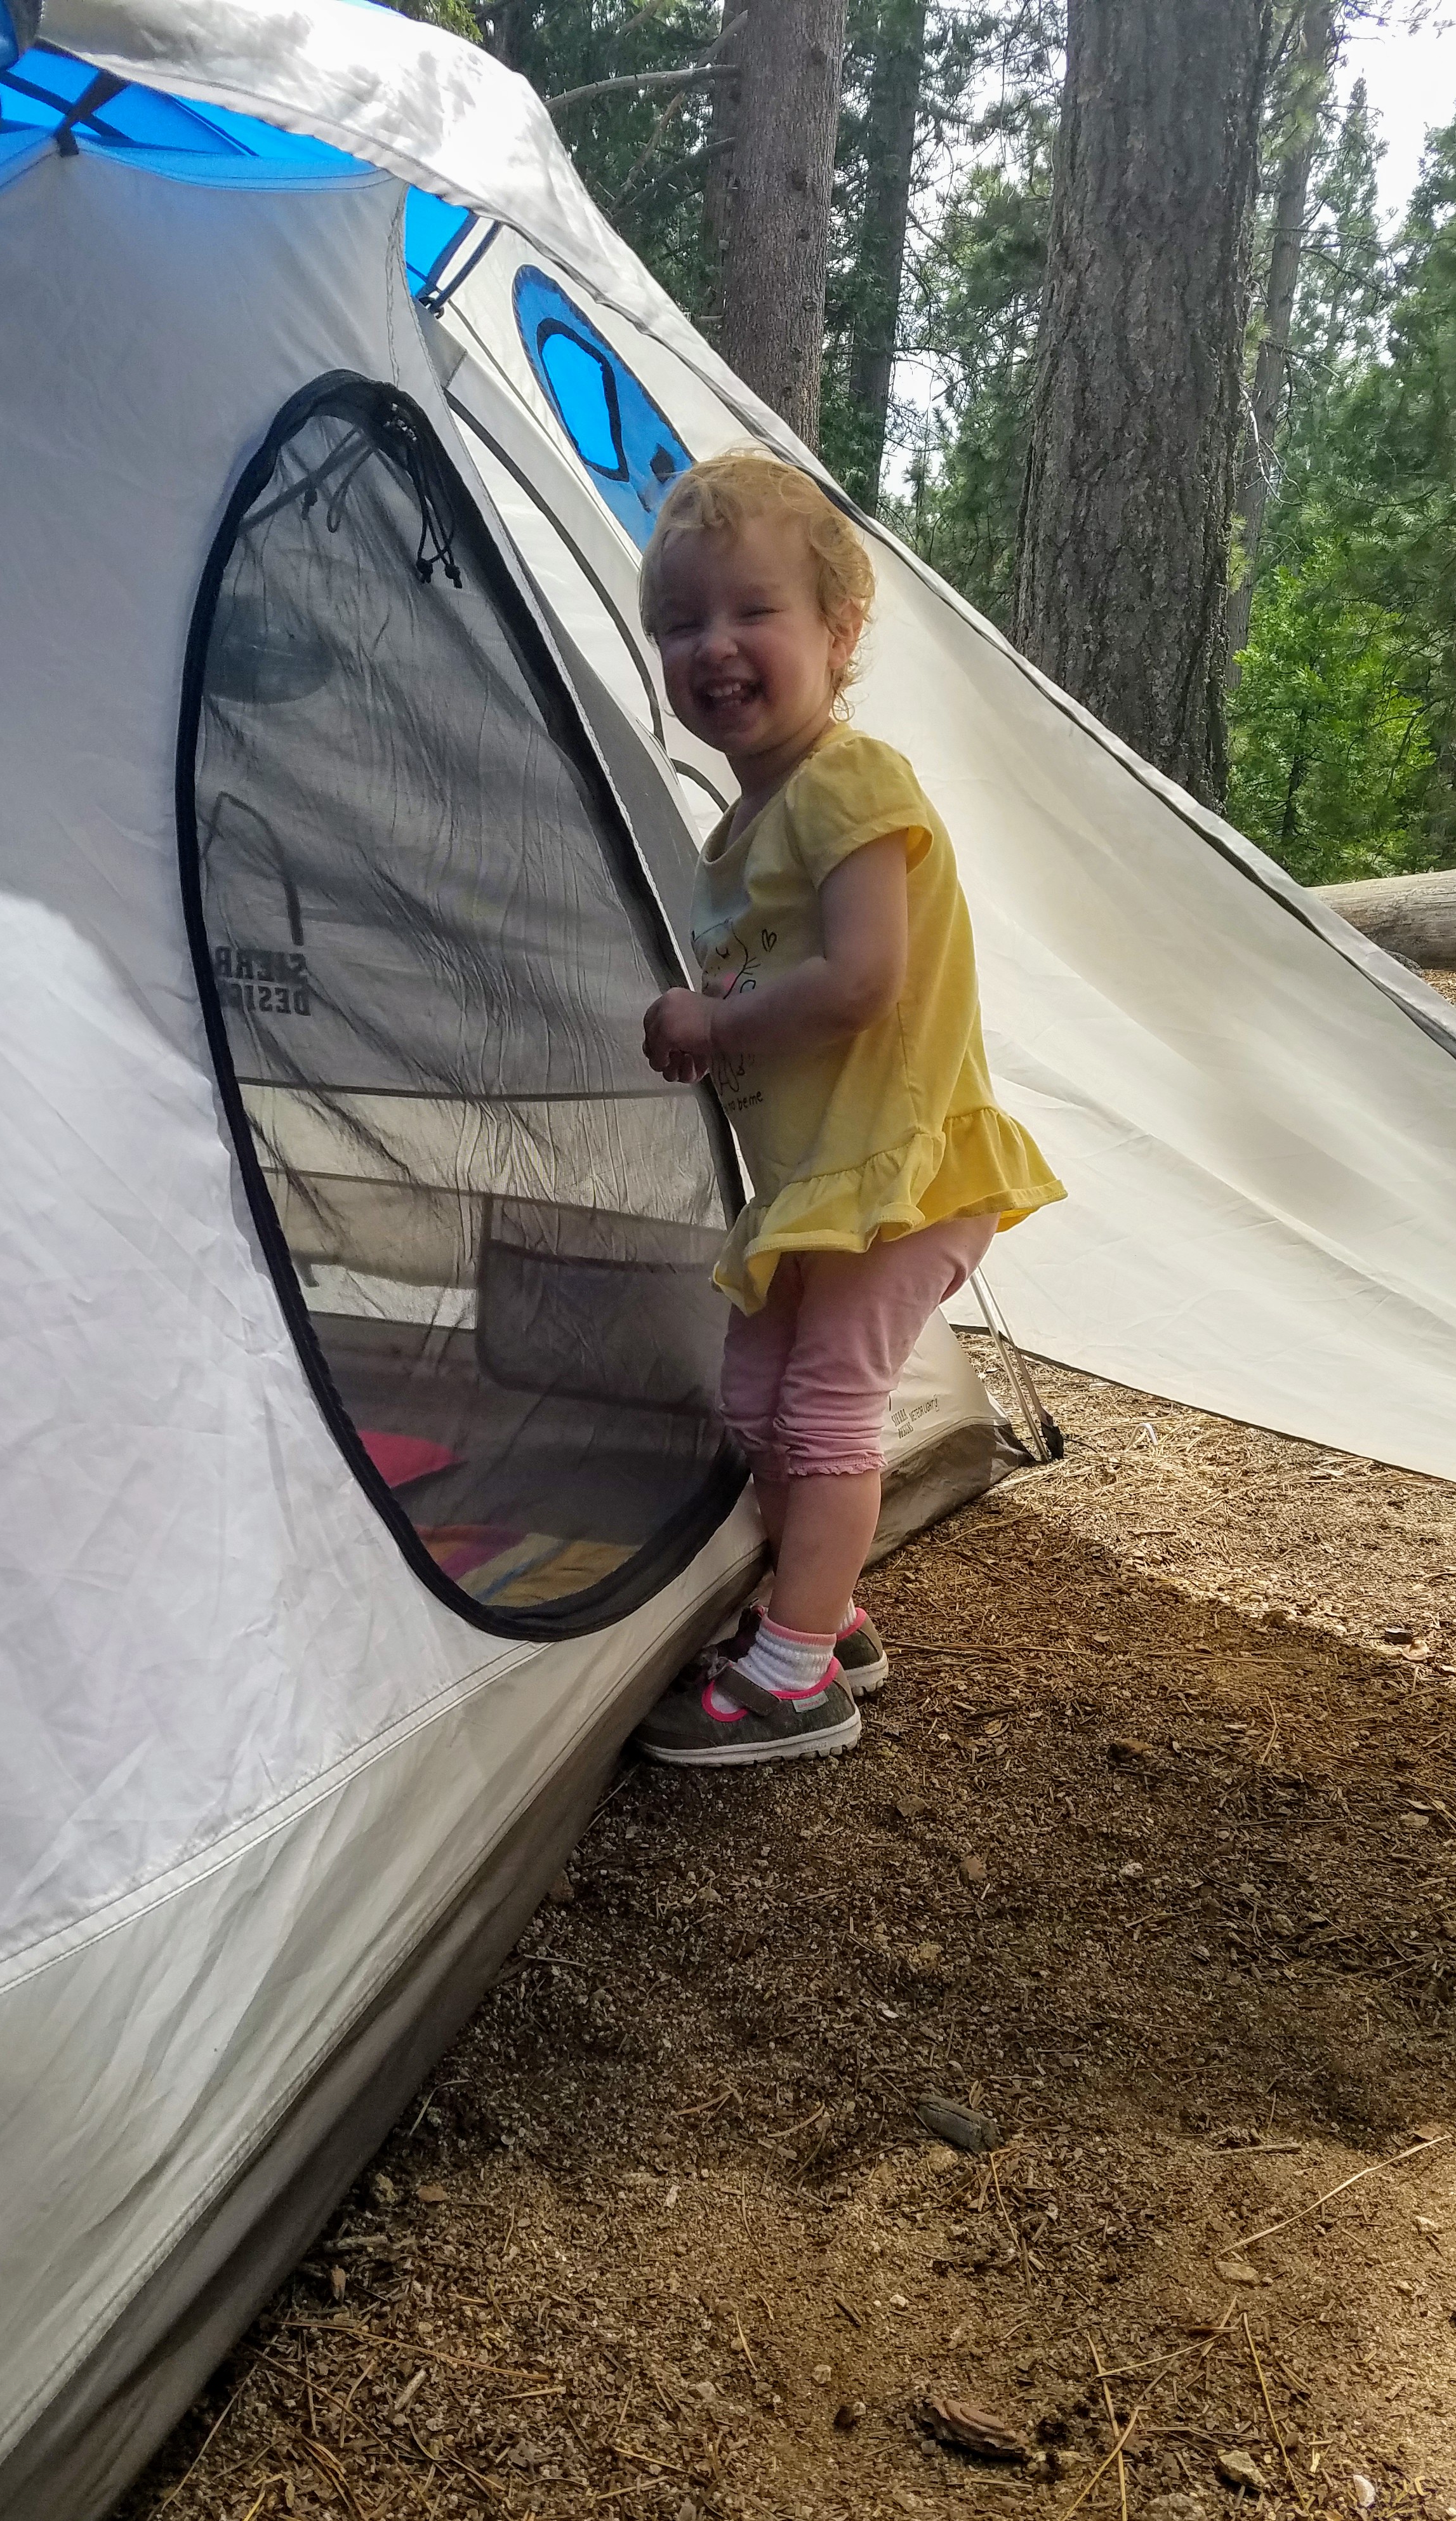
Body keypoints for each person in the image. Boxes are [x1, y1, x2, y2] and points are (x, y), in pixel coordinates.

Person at [633, 451, 1063, 1768]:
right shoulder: (754, 813)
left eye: (750, 612)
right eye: (679, 623)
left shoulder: (849, 783)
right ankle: (826, 1616)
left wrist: (713, 1022)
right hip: (821, 1182)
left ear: (839, 630)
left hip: (900, 1173)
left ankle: (798, 1683)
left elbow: (865, 980)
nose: (714, 647)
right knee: (761, 1401)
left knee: (821, 1413)